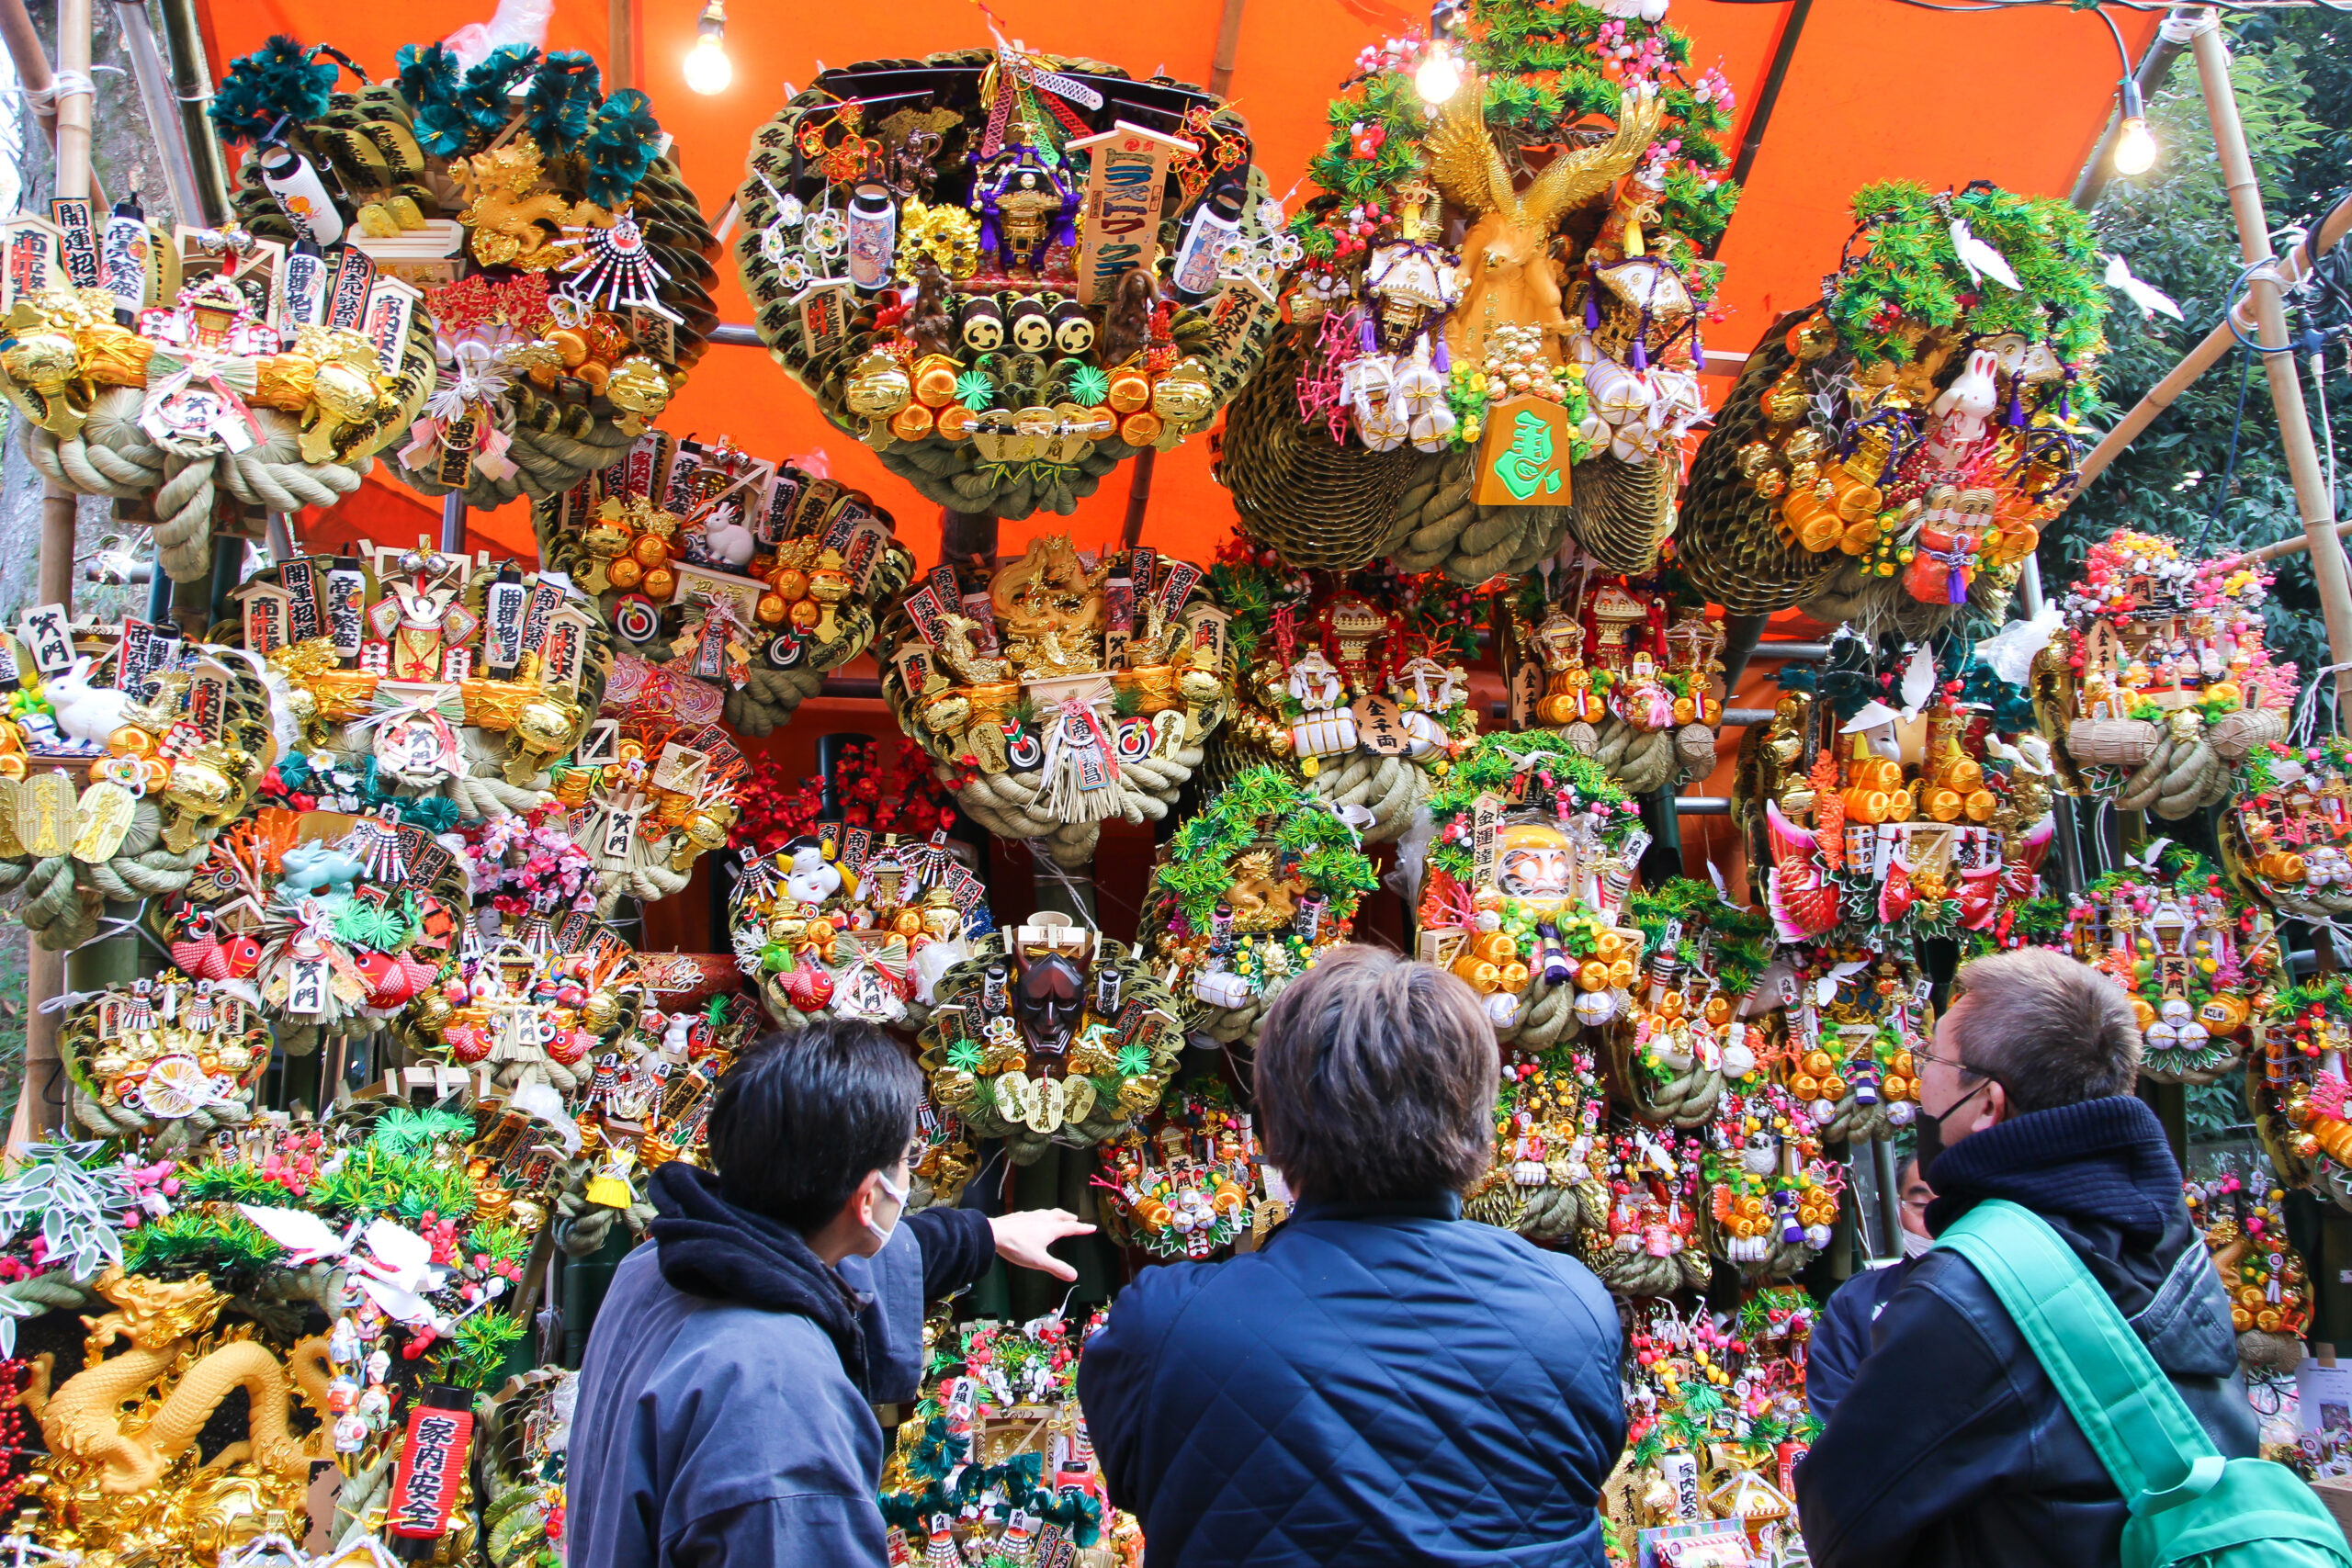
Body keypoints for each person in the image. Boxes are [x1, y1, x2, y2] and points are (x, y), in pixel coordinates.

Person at [1078, 946, 1625, 1566]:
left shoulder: (1165, 1329)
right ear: (1479, 1122)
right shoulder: (1575, 1311)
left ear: (1273, 1133)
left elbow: (1128, 1480)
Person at [569, 1021, 1094, 1568]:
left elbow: (839, 1252)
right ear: (869, 1199)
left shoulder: (655, 1264)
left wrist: (985, 1234)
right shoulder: (776, 1394)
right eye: (907, 1159)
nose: (909, 1174)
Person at [1795, 948, 2256, 1568]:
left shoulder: (1970, 1287)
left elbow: (1844, 1515)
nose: (1918, 1079)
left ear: (1987, 1103)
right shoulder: (2168, 1237)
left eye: (1930, 1058)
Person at [1804, 1155, 1932, 1420]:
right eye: (1921, 1205)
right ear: (1898, 1209)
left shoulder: (2006, 1293)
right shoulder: (1857, 1301)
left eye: (1952, 1205)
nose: (1935, 1222)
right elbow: (1833, 1412)